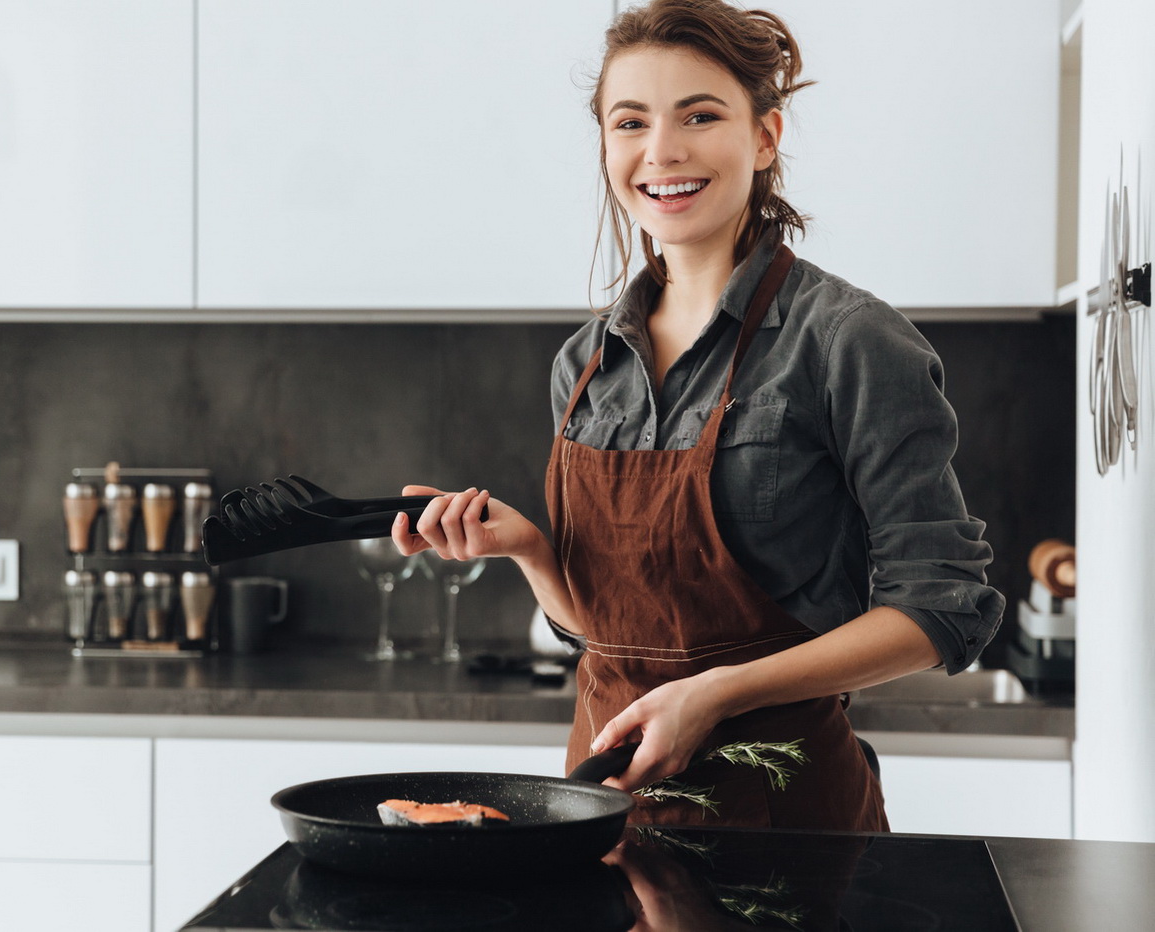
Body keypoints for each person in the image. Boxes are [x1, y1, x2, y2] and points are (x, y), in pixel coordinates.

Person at [391, 0, 1004, 832]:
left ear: (764, 137)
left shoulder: (847, 341)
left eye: (700, 115)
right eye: (630, 122)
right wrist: (529, 550)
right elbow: (611, 632)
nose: (662, 151)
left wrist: (718, 694)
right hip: (600, 811)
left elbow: (941, 608)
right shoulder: (586, 362)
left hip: (785, 821)